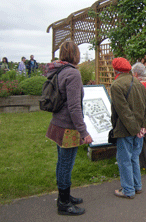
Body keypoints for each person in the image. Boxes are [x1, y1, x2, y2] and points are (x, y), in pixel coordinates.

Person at [45, 41, 93, 216]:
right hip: (67, 128)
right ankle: (64, 203)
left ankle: (64, 196)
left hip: (57, 123)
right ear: (76, 55)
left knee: (62, 163)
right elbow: (74, 107)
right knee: (66, 164)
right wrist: (84, 132)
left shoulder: (58, 70)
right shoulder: (73, 74)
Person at [110, 57, 146, 199]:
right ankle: (137, 186)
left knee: (124, 160)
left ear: (115, 69)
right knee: (134, 157)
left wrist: (136, 129)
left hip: (125, 130)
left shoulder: (116, 85)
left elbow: (123, 112)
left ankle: (128, 190)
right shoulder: (139, 83)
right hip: (139, 130)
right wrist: (144, 127)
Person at [131, 62, 146, 170]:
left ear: (135, 74)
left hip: (142, 118)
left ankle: (142, 165)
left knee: (140, 143)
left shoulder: (139, 85)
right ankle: (145, 163)